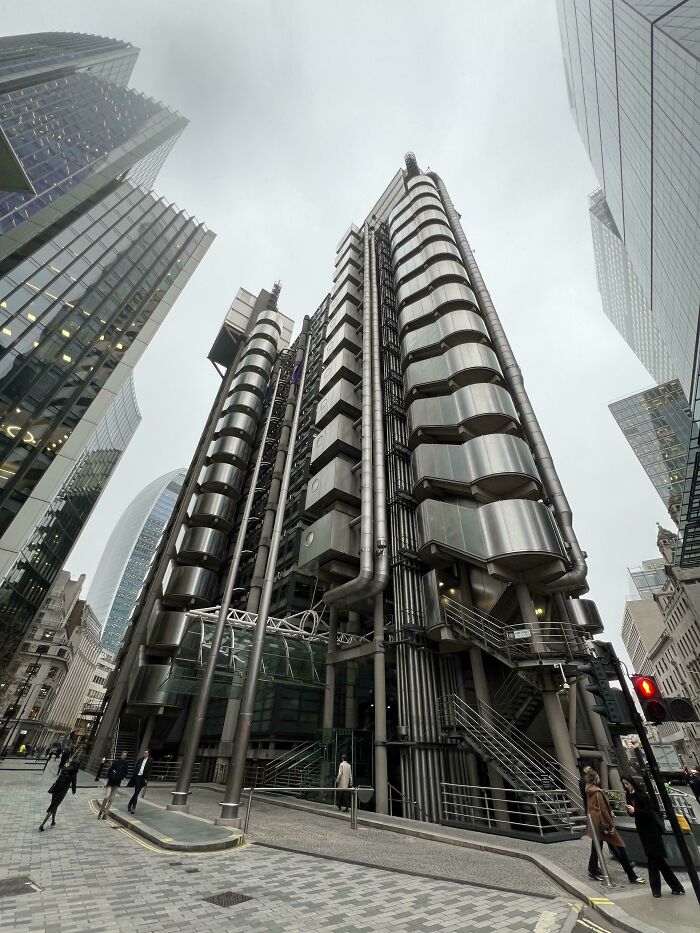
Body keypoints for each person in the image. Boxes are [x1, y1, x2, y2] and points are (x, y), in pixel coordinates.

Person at [622, 777, 684, 898]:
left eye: (627, 784)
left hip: (651, 830)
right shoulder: (629, 796)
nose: (626, 786)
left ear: (632, 783)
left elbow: (650, 812)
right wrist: (631, 811)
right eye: (624, 784)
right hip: (642, 830)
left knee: (653, 860)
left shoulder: (642, 795)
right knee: (659, 861)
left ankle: (656, 890)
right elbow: (632, 813)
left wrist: (636, 810)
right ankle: (677, 887)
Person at [585, 770, 644, 885]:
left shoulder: (589, 790)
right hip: (604, 827)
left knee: (597, 848)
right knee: (619, 849)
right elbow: (604, 811)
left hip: (596, 825)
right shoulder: (597, 792)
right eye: (598, 777)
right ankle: (632, 876)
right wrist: (612, 825)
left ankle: (592, 869)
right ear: (595, 779)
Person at [39, 761, 78, 831]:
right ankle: (42, 825)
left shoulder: (64, 769)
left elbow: (58, 779)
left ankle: (53, 822)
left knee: (54, 805)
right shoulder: (74, 772)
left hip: (56, 789)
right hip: (62, 792)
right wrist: (74, 792)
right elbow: (74, 784)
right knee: (53, 807)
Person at [97, 751, 129, 820]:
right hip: (111, 782)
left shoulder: (126, 764)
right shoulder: (116, 762)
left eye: (125, 755)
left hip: (117, 783)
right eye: (123, 755)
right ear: (121, 755)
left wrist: (121, 776)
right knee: (106, 797)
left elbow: (126, 773)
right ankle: (101, 811)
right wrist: (111, 775)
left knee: (111, 799)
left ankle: (105, 813)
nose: (124, 756)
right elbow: (110, 770)